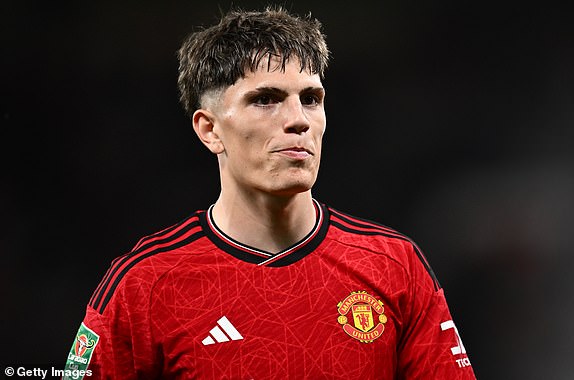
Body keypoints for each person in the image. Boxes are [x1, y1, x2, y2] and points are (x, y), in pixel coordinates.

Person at [64, 6, 476, 379]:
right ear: (209, 130)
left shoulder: (395, 266)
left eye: (311, 99)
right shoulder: (145, 286)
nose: (298, 120)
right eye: (265, 99)